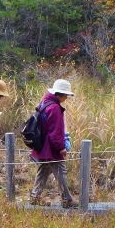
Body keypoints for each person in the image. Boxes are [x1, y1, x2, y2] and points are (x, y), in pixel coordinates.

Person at [30, 79, 77, 208]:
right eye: (66, 95)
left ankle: (35, 196)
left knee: (44, 169)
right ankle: (67, 199)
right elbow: (56, 132)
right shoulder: (55, 108)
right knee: (60, 171)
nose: (67, 97)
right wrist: (61, 147)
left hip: (42, 145)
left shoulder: (44, 103)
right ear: (60, 94)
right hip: (51, 147)